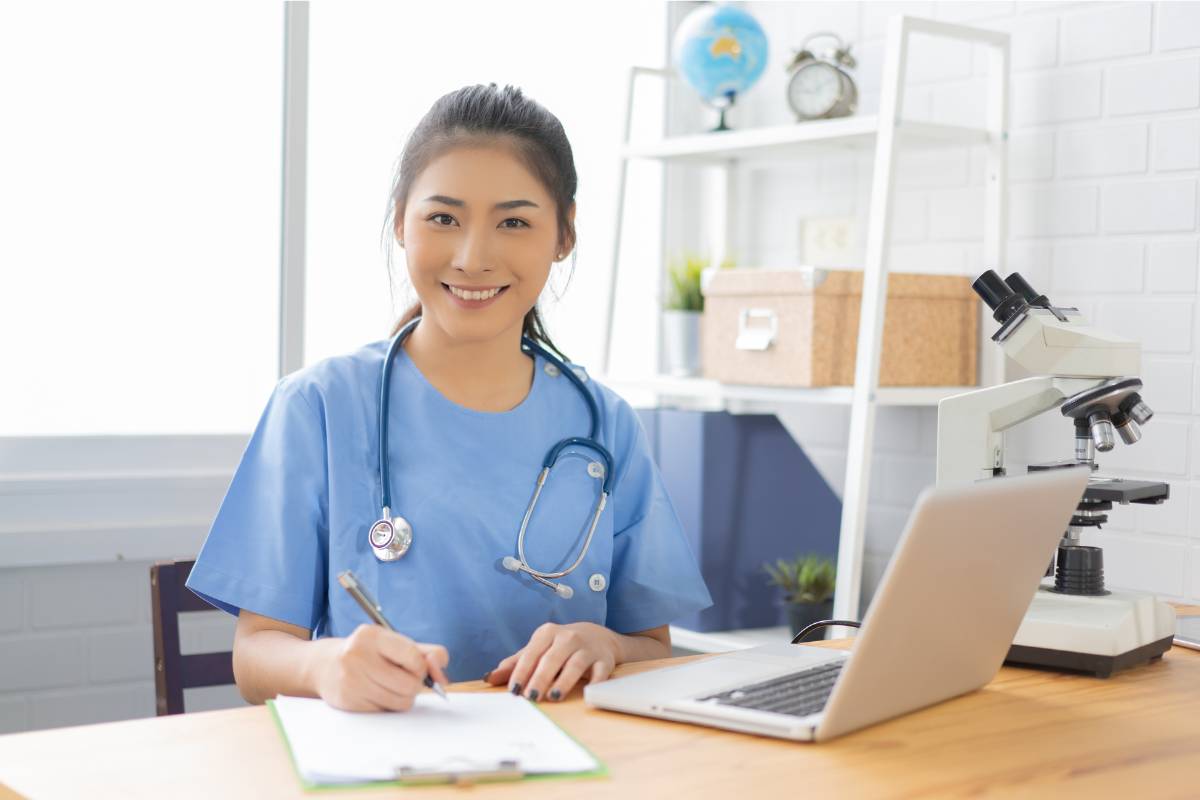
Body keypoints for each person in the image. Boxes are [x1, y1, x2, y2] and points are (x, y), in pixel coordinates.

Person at [186, 83, 712, 713]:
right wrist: (327, 665)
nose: (472, 257)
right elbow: (255, 658)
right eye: (443, 218)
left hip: (566, 766)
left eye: (514, 222)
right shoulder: (319, 407)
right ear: (401, 222)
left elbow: (654, 648)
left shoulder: (607, 425)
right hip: (384, 763)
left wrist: (604, 643)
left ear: (564, 234)